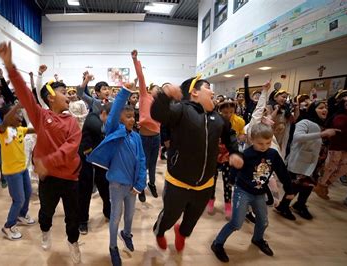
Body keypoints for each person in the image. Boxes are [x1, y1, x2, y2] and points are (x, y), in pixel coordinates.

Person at [0, 41, 82, 264]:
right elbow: (25, 94)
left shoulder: (71, 121)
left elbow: (71, 147)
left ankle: (73, 243)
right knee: (46, 213)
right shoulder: (41, 116)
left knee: (73, 217)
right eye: (64, 92)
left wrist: (49, 160)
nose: (69, 96)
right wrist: (10, 66)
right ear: (51, 97)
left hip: (71, 178)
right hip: (49, 178)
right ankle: (45, 231)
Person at [150, 75, 243, 252]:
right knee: (170, 215)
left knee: (192, 218)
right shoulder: (181, 110)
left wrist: (235, 152)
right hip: (178, 181)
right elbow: (158, 114)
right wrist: (165, 95)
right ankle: (160, 231)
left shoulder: (218, 118)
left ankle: (182, 233)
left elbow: (230, 135)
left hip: (205, 183)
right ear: (194, 92)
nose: (213, 91)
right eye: (208, 87)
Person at [211, 123, 294, 263]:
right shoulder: (247, 154)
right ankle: (217, 243)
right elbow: (235, 169)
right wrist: (231, 180)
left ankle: (258, 239)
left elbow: (282, 172)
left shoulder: (273, 154)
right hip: (242, 191)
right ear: (252, 139)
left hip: (259, 194)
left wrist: (289, 189)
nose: (265, 146)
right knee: (236, 223)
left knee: (263, 221)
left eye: (268, 143)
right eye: (260, 143)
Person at [87, 84, 146, 266]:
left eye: (133, 117)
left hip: (132, 186)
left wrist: (140, 183)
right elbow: (113, 113)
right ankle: (113, 247)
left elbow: (142, 160)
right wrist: (125, 92)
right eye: (128, 116)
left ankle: (126, 234)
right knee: (115, 218)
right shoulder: (114, 130)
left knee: (129, 217)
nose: (132, 120)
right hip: (116, 185)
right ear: (120, 119)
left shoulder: (136, 137)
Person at [275, 100, 339, 220]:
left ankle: (300, 205)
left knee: (308, 185)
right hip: (301, 161)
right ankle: (283, 206)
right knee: (295, 186)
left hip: (315, 163)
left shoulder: (323, 125)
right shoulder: (305, 122)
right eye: (320, 108)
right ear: (312, 110)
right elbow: (298, 137)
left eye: (325, 107)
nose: (324, 110)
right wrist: (322, 134)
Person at [0, 104, 36, 240]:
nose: (19, 116)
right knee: (18, 199)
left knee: (28, 193)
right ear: (6, 117)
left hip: (22, 168)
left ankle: (21, 215)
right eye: (16, 114)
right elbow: (5, 121)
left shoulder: (20, 129)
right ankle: (8, 225)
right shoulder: (2, 130)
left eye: (20, 113)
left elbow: (35, 129)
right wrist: (17, 106)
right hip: (12, 172)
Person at [131, 50, 161, 202]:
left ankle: (152, 184)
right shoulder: (144, 96)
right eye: (157, 88)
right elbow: (141, 77)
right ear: (150, 90)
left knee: (153, 164)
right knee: (142, 163)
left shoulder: (161, 104)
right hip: (143, 137)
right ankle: (141, 187)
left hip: (156, 138)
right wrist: (135, 60)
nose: (159, 91)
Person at [78, 102, 111, 235]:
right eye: (111, 118)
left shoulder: (103, 120)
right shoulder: (93, 118)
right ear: (103, 113)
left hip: (100, 161)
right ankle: (82, 221)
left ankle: (108, 213)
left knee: (105, 189)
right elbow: (101, 129)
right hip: (86, 160)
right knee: (85, 192)